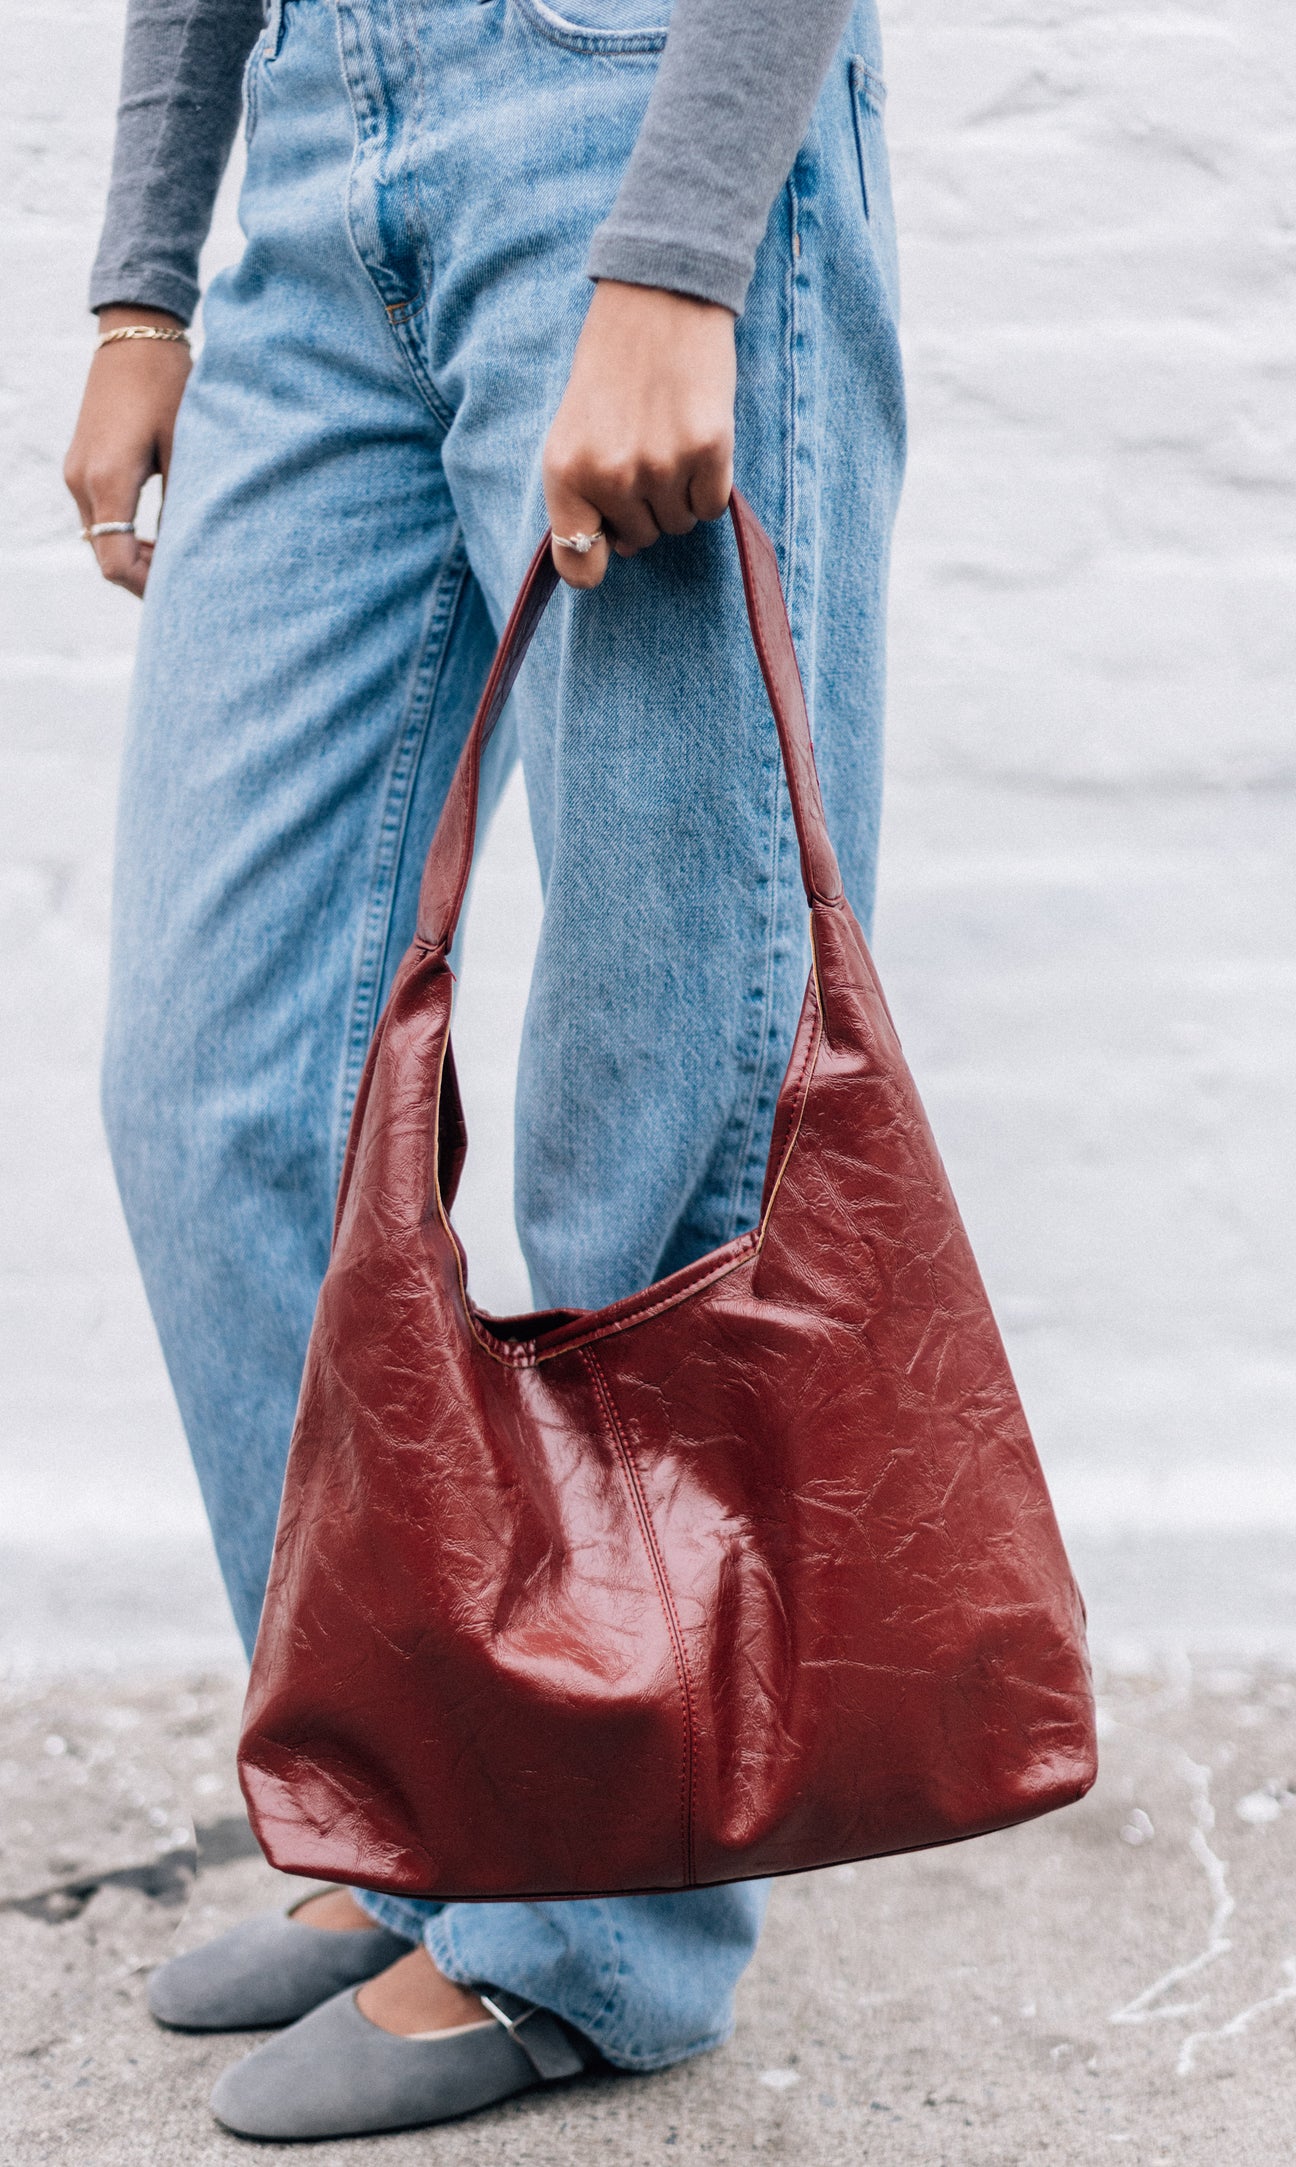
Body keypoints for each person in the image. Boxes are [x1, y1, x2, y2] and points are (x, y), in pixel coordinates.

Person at [65, 0, 905, 2141]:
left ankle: (598, 1925)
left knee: (664, 1083)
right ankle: (432, 1806)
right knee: (215, 1085)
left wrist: (692, 234)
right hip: (316, 149)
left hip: (626, 103)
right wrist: (148, 266)